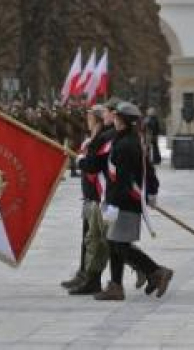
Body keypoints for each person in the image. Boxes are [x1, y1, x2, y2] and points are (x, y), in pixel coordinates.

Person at [94, 102, 173, 301]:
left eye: (118, 117)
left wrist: (114, 204)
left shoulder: (125, 145)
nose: (115, 119)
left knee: (120, 245)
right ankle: (117, 285)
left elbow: (122, 180)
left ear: (124, 121)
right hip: (123, 200)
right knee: (116, 243)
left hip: (125, 201)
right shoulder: (125, 140)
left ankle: (156, 271)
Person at [64, 105, 114, 295]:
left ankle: (149, 269)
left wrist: (81, 161)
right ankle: (84, 274)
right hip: (89, 194)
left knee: (107, 240)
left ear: (98, 119)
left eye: (90, 116)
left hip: (98, 195)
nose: (87, 119)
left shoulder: (103, 138)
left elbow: (95, 164)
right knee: (91, 238)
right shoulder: (92, 137)